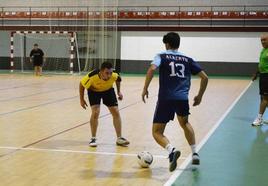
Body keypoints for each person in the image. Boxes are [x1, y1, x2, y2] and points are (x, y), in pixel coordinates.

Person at [142, 32, 208, 172]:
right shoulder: (187, 58)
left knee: (157, 132)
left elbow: (152, 69)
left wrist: (145, 89)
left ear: (167, 44)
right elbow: (205, 77)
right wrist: (199, 96)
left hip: (166, 98)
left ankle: (172, 150)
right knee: (185, 123)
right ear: (178, 44)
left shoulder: (161, 55)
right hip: (182, 98)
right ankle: (194, 153)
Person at [79, 62, 130, 147]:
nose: (109, 75)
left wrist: (119, 91)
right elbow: (81, 84)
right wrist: (81, 99)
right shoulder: (92, 76)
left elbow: (118, 80)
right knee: (95, 112)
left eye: (110, 73)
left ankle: (119, 138)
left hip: (108, 90)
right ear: (101, 71)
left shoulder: (113, 75)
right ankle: (93, 138)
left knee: (116, 112)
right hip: (94, 91)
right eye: (107, 73)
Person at [252, 34, 268, 126]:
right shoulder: (263, 50)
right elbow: (261, 64)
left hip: (267, 76)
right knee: (263, 98)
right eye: (261, 40)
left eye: (265, 40)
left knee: (265, 98)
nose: (262, 42)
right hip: (263, 76)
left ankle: (259, 118)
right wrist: (256, 74)